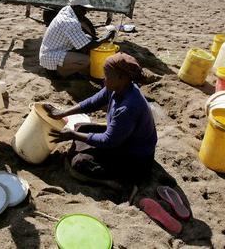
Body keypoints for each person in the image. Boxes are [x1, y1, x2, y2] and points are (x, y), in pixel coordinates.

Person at [45, 53, 157, 185]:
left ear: (121, 77)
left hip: (135, 157)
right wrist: (63, 113)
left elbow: (108, 141)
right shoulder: (118, 87)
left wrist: (73, 135)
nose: (104, 79)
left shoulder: (128, 107)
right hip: (122, 139)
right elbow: (93, 102)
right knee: (81, 127)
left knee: (80, 162)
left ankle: (117, 182)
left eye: (107, 76)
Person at [39, 0, 115, 77]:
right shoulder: (69, 22)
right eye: (83, 9)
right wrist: (105, 38)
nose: (85, 12)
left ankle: (67, 68)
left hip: (51, 52)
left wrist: (99, 39)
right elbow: (86, 46)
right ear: (76, 7)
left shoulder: (66, 10)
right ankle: (60, 73)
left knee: (88, 38)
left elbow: (84, 33)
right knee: (86, 60)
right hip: (50, 57)